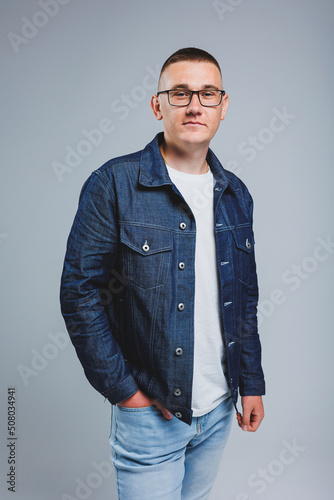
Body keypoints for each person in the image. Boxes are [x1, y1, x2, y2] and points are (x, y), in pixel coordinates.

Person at [60, 47, 265, 500]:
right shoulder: (114, 183)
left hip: (218, 408)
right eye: (180, 93)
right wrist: (126, 394)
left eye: (207, 93)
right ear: (158, 105)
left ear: (223, 106)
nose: (195, 104)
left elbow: (244, 298)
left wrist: (251, 383)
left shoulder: (236, 194)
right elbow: (79, 294)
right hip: (151, 411)